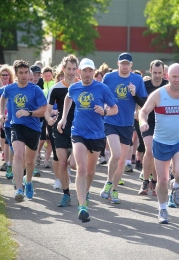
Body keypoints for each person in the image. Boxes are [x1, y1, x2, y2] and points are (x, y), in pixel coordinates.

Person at [57, 58, 118, 223]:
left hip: (97, 135)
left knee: (90, 172)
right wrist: (63, 118)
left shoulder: (102, 88)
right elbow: (68, 98)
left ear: (93, 71)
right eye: (84, 70)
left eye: (90, 70)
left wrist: (104, 112)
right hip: (78, 133)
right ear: (80, 72)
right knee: (81, 168)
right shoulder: (74, 87)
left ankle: (86, 191)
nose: (87, 73)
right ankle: (82, 206)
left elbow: (114, 108)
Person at [139, 63, 179, 224]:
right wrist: (143, 123)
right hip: (161, 141)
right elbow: (143, 111)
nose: (178, 80)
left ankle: (177, 186)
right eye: (174, 77)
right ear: (168, 77)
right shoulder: (158, 95)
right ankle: (163, 209)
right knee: (163, 180)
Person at [100, 52, 147, 204]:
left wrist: (134, 94)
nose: (125, 66)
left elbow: (143, 103)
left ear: (131, 65)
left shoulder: (137, 79)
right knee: (117, 154)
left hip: (127, 124)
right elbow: (101, 94)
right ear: (118, 64)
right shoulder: (109, 77)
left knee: (121, 161)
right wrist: (104, 105)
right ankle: (108, 182)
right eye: (122, 63)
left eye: (127, 63)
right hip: (111, 120)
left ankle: (114, 190)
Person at [0, 60, 47, 202]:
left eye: (26, 72)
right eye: (21, 73)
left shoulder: (35, 89)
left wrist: (29, 113)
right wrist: (2, 114)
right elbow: (2, 97)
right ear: (16, 73)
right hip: (16, 125)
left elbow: (44, 110)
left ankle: (29, 181)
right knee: (18, 155)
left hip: (33, 127)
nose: (24, 76)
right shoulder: (10, 88)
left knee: (30, 161)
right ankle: (19, 189)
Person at [45, 54, 78, 207]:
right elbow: (47, 110)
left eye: (74, 69)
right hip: (60, 128)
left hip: (79, 129)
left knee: (75, 164)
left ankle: (85, 189)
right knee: (62, 162)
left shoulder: (82, 86)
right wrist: (49, 119)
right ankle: (66, 195)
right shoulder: (56, 88)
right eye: (68, 69)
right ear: (63, 69)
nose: (71, 72)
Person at [138, 60, 168, 196]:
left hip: (163, 124)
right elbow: (140, 103)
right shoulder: (144, 85)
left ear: (164, 72)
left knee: (158, 152)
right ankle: (145, 181)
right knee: (149, 150)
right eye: (154, 72)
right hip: (147, 123)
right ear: (150, 71)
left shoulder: (167, 86)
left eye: (159, 73)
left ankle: (155, 182)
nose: (157, 75)